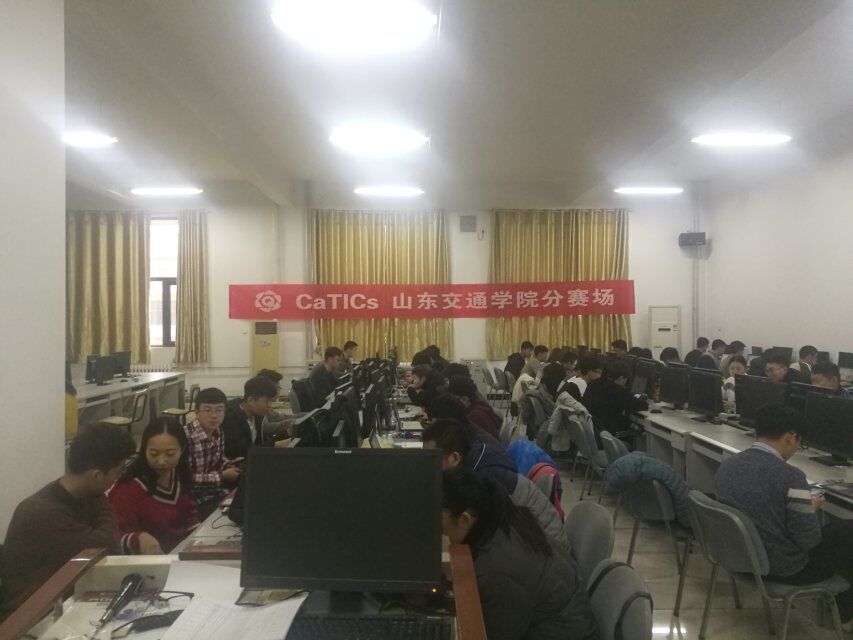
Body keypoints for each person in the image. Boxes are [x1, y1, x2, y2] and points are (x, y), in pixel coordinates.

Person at [715, 404, 853, 626]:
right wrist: (809, 510)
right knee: (847, 531)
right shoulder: (791, 477)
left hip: (740, 559)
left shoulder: (728, 466)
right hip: (784, 569)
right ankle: (842, 609)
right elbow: (809, 541)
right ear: (790, 437)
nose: (798, 449)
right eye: (800, 443)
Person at [441, 467, 598, 640]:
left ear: (464, 519)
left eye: (440, 524)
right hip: (565, 619)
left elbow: (490, 634)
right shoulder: (501, 518)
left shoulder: (496, 568)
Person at [0, 423, 136, 617]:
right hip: (29, 619)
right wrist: (103, 499)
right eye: (118, 472)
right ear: (96, 475)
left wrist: (99, 495)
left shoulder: (84, 493)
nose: (118, 478)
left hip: (62, 600)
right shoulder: (44, 513)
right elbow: (107, 545)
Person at [423, 419, 569, 554]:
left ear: (455, 458)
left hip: (547, 548)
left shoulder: (486, 478)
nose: (427, 467)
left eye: (432, 459)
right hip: (532, 540)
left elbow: (483, 535)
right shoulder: (472, 462)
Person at [108, 417, 199, 554]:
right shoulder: (129, 489)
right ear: (144, 450)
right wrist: (138, 539)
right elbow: (113, 537)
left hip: (177, 555)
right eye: (154, 454)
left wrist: (198, 536)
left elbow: (190, 516)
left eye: (170, 454)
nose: (161, 461)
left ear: (183, 449)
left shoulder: (179, 475)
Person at [183, 387, 243, 520]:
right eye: (208, 410)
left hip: (215, 493)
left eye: (219, 410)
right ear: (196, 411)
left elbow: (219, 459)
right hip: (193, 502)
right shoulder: (185, 437)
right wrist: (222, 476)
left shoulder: (218, 431)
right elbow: (186, 480)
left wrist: (230, 464)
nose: (214, 415)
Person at [221, 375, 281, 460]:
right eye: (267, 401)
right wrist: (277, 445)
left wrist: (286, 434)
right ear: (251, 401)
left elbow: (259, 444)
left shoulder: (255, 415)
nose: (269, 405)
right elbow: (243, 452)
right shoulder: (230, 418)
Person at [582, 360, 648, 434]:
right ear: (621, 378)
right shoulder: (618, 390)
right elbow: (641, 405)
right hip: (608, 431)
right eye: (626, 379)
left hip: (593, 428)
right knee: (639, 430)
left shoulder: (594, 383)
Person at [448, 374, 503, 440]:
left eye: (453, 399)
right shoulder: (479, 404)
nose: (452, 402)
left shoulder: (474, 417)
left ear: (464, 399)